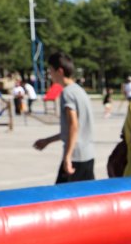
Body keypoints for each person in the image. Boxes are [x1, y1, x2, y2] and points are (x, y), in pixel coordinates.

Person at [34, 52, 97, 183]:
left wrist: (68, 157)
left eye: (50, 70)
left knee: (62, 199)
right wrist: (48, 140)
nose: (49, 74)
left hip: (75, 157)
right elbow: (72, 128)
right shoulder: (79, 90)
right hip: (87, 154)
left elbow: (74, 126)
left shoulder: (67, 93)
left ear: (59, 71)